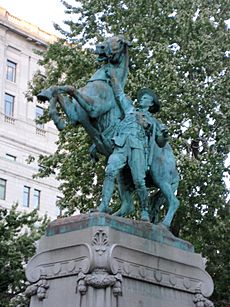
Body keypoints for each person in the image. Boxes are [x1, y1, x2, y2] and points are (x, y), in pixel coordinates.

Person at [97, 68, 168, 221]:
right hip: (121, 145)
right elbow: (119, 93)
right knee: (110, 170)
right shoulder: (129, 109)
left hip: (138, 149)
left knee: (139, 182)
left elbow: (160, 142)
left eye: (146, 98)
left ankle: (144, 211)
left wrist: (161, 133)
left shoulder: (153, 121)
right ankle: (104, 205)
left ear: (151, 104)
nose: (142, 99)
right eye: (141, 97)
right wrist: (114, 76)